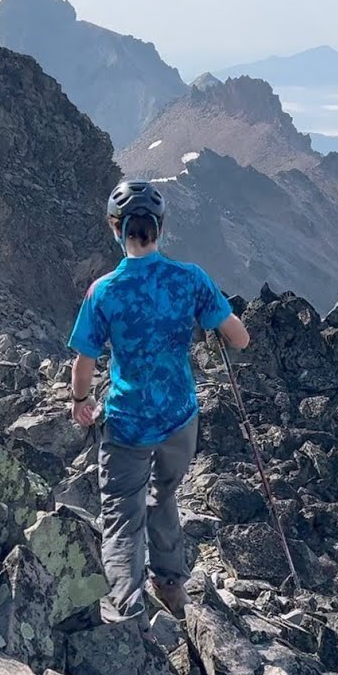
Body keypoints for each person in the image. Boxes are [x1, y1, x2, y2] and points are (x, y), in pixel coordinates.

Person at [68, 179, 250, 626]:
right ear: (159, 227)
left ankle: (127, 612)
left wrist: (80, 401)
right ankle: (170, 587)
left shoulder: (103, 291)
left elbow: (84, 361)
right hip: (178, 417)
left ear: (117, 229)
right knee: (165, 497)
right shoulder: (189, 279)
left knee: (121, 512)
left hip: (127, 420)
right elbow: (240, 339)